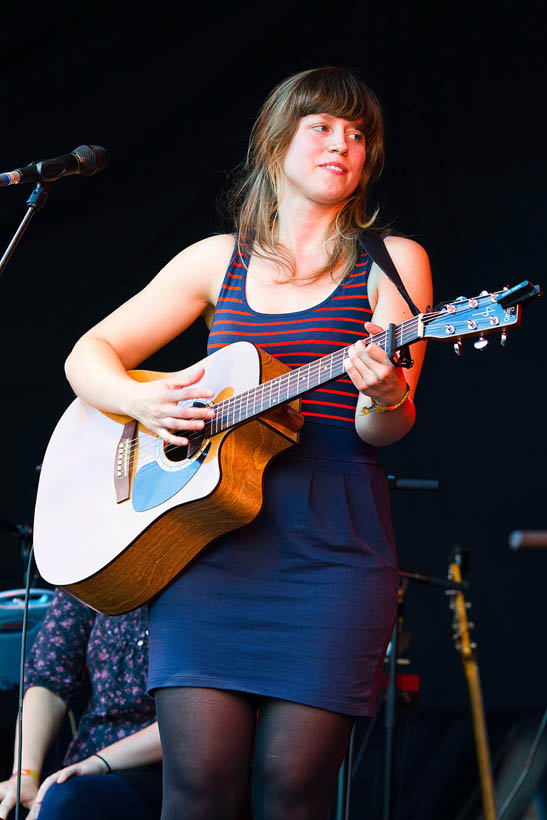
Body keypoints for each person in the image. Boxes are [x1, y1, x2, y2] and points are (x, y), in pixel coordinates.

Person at [62, 66, 433, 819]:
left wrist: (385, 392)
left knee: (292, 797)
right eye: (323, 126)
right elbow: (86, 356)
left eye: (358, 134)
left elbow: (383, 428)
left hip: (330, 557)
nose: (344, 144)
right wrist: (143, 399)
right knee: (194, 795)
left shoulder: (393, 261)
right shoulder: (215, 260)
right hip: (207, 555)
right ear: (274, 143)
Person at [0, 589, 162, 820]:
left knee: (67, 801)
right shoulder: (91, 570)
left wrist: (99, 763)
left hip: (168, 768)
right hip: (86, 764)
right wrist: (24, 775)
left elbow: (195, 724)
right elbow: (49, 679)